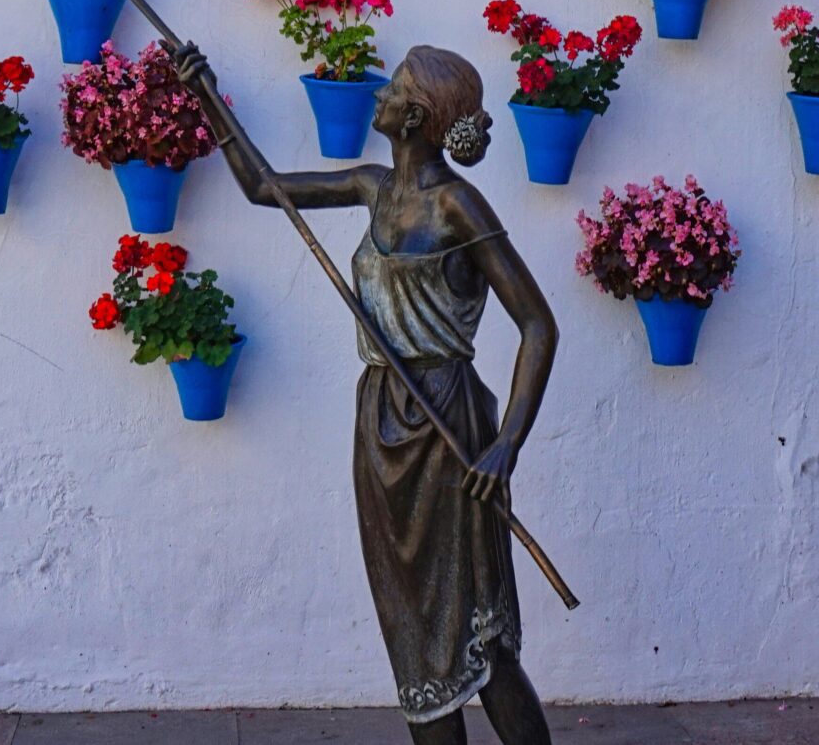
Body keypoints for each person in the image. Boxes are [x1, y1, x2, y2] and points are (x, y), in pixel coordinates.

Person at [175, 43, 557, 744]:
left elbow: (538, 323)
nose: (379, 91)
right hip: (380, 421)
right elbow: (264, 187)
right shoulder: (370, 185)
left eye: (395, 86)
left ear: (413, 117)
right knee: (410, 627)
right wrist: (206, 93)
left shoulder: (459, 208)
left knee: (480, 632)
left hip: (449, 424)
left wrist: (507, 443)